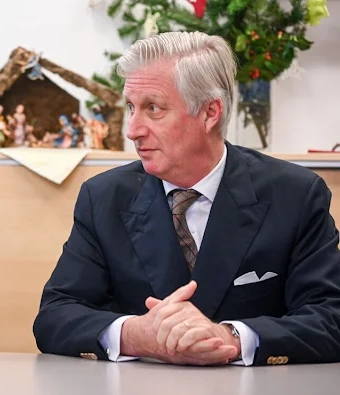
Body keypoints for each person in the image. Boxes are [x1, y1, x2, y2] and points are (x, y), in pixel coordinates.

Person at [33, 31, 340, 366]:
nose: (132, 129)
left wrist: (232, 338)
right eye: (131, 107)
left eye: (153, 108)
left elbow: (330, 318)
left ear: (210, 113)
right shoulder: (104, 198)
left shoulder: (295, 195)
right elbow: (55, 317)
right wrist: (138, 335)